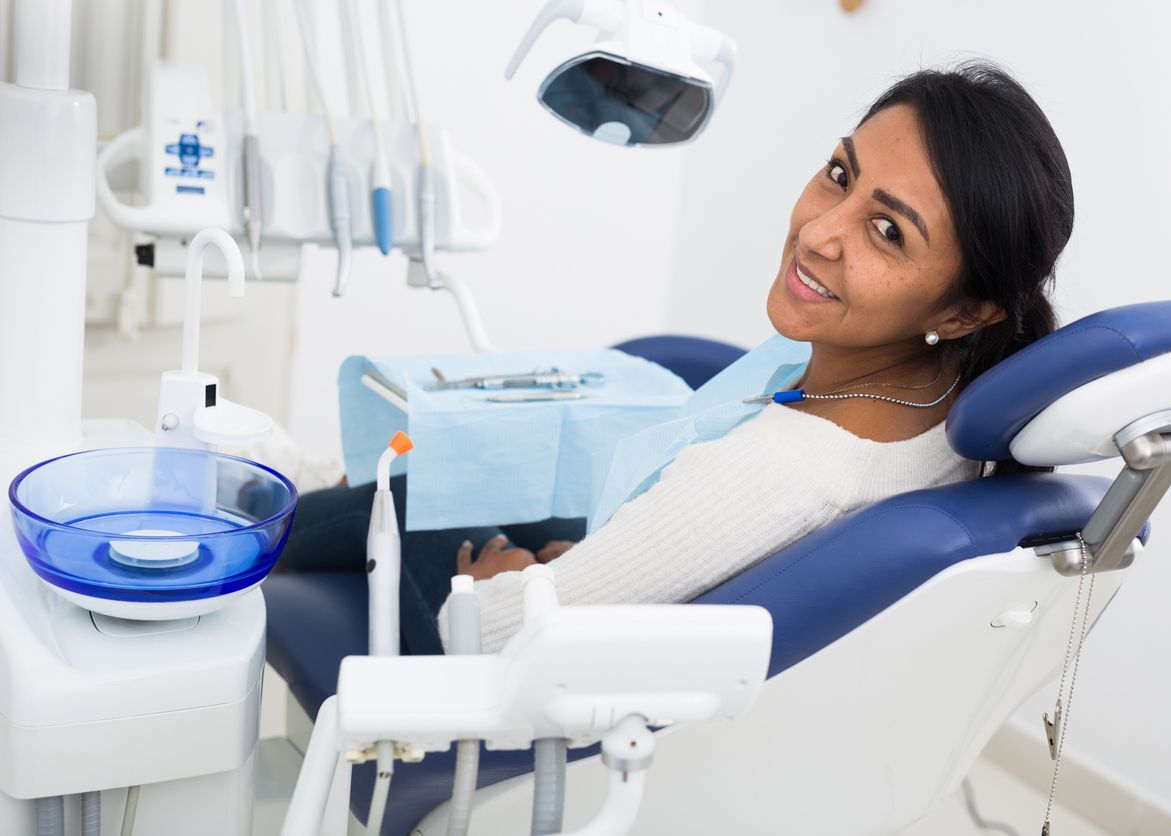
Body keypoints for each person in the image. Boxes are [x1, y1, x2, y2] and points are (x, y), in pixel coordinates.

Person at [278, 62, 1073, 655]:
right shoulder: (943, 403)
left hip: (516, 668)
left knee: (401, 498)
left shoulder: (782, 475)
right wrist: (605, 561)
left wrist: (507, 582)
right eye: (840, 176)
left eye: (888, 231)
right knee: (449, 473)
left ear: (968, 309)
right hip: (642, 581)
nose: (820, 231)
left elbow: (501, 631)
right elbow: (694, 550)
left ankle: (244, 521)